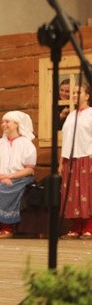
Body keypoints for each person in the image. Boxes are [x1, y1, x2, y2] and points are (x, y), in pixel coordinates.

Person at [59, 82, 92, 239]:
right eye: (73, 93)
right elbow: (66, 139)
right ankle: (76, 226)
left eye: (78, 92)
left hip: (87, 158)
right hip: (70, 159)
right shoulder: (71, 116)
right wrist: (61, 162)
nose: (74, 95)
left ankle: (89, 227)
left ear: (87, 96)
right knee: (72, 193)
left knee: (87, 193)